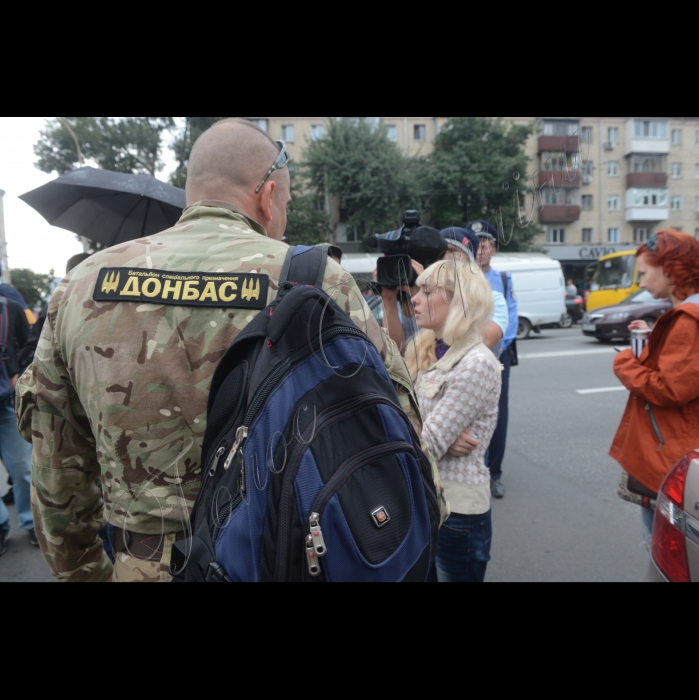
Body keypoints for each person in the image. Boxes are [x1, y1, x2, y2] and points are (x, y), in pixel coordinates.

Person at [16, 118, 427, 583]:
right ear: (268, 196)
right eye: (286, 204)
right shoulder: (317, 279)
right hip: (279, 557)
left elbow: (57, 466)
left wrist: (84, 573)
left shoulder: (81, 286)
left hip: (142, 562)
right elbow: (397, 422)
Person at [406, 260, 501, 583]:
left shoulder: (475, 363)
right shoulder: (432, 350)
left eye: (427, 291)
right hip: (430, 502)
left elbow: (426, 443)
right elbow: (420, 429)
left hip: (457, 512)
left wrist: (431, 434)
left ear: (459, 301)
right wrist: (436, 432)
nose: (415, 298)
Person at [611, 229, 699, 545]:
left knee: (665, 547)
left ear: (670, 269)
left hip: (673, 450)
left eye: (645, 273)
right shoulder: (689, 313)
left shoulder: (689, 319)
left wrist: (623, 362)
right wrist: (653, 339)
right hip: (680, 444)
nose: (641, 282)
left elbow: (669, 388)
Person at [474, 221, 518, 499]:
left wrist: (492, 347)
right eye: (477, 244)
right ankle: (473, 468)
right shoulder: (461, 278)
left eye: (486, 245)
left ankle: (494, 473)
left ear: (494, 250)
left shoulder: (502, 280)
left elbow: (511, 319)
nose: (481, 250)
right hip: (464, 356)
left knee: (498, 414)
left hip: (496, 355)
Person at [0, 293, 35, 556]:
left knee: (22, 466)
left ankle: (31, 522)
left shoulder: (10, 308)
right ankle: (1, 525)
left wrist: (17, 374)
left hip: (6, 402)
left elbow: (31, 346)